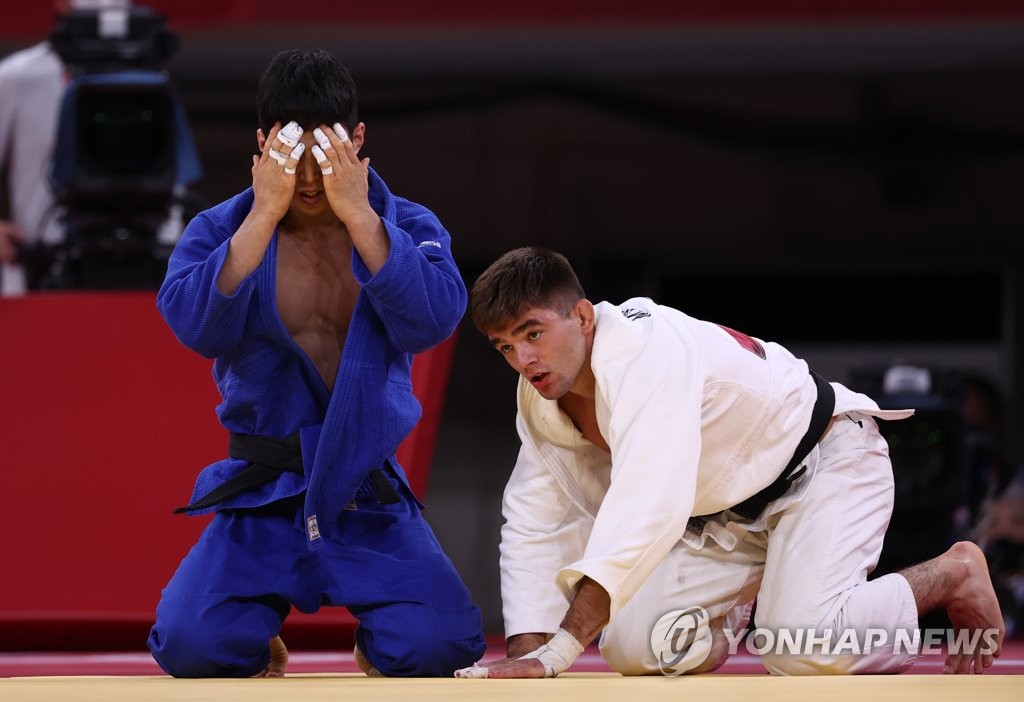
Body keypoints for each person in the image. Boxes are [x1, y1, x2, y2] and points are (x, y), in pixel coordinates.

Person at [457, 246, 1005, 678]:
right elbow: (535, 521)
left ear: (580, 316)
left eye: (533, 334)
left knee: (803, 648)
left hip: (823, 462)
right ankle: (743, 607)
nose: (523, 359)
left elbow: (647, 504)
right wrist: (526, 652)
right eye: (505, 346)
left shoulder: (646, 352)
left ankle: (951, 573)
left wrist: (562, 650)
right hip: (726, 514)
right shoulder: (540, 400)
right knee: (636, 646)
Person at [147, 48, 485, 678]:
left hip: (365, 493)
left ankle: (374, 638)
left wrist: (360, 215)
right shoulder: (220, 228)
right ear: (261, 144)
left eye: (324, 159)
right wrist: (263, 213)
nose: (306, 180)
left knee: (441, 647)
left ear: (357, 142)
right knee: (191, 647)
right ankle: (256, 635)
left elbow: (434, 319)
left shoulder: (405, 223)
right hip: (264, 491)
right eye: (290, 159)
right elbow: (193, 325)